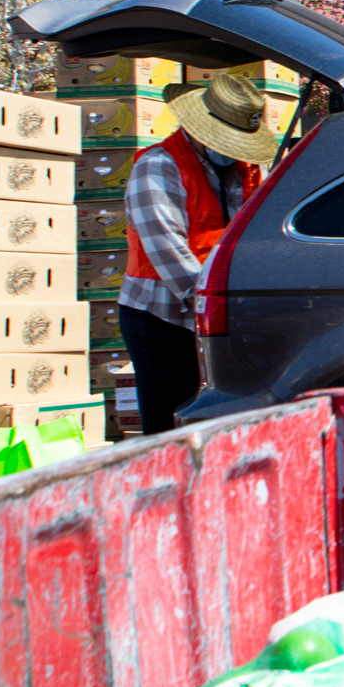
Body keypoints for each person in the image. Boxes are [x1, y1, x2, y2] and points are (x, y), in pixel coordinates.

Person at [118, 70, 280, 433]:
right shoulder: (158, 167)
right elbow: (169, 252)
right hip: (162, 317)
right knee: (169, 424)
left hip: (213, 312)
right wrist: (217, 308)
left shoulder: (243, 170)